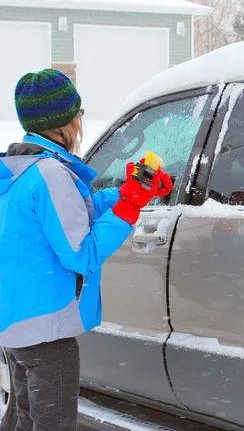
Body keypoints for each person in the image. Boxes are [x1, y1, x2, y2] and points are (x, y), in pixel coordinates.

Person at [0, 69, 173, 430]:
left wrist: (125, 192)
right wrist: (129, 209)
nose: (81, 120)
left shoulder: (19, 172)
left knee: (26, 422)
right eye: (79, 113)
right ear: (65, 121)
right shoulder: (50, 173)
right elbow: (82, 253)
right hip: (48, 333)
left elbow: (73, 211)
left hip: (18, 328)